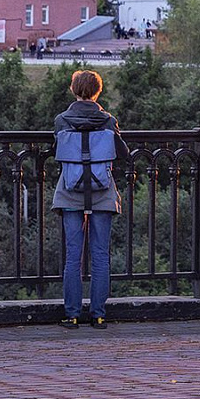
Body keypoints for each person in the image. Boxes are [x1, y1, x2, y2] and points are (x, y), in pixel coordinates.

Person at [52, 69, 129, 330]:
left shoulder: (62, 120)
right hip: (102, 189)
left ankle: (72, 315)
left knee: (73, 256)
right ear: (98, 91)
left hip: (70, 189)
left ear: (73, 89)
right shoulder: (108, 120)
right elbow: (122, 152)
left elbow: (56, 151)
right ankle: (98, 315)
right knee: (100, 254)